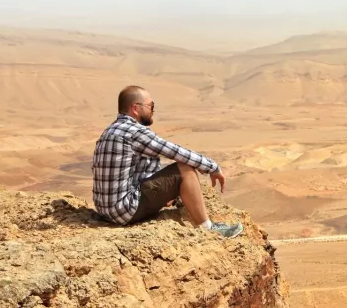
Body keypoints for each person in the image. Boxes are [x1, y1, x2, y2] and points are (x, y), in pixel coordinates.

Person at [92, 86, 243, 238]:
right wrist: (212, 167)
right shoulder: (134, 132)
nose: (153, 110)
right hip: (124, 211)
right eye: (151, 106)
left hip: (106, 211)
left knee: (167, 171)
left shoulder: (111, 130)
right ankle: (209, 229)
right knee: (185, 168)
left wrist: (163, 193)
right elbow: (175, 152)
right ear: (135, 108)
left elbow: (130, 172)